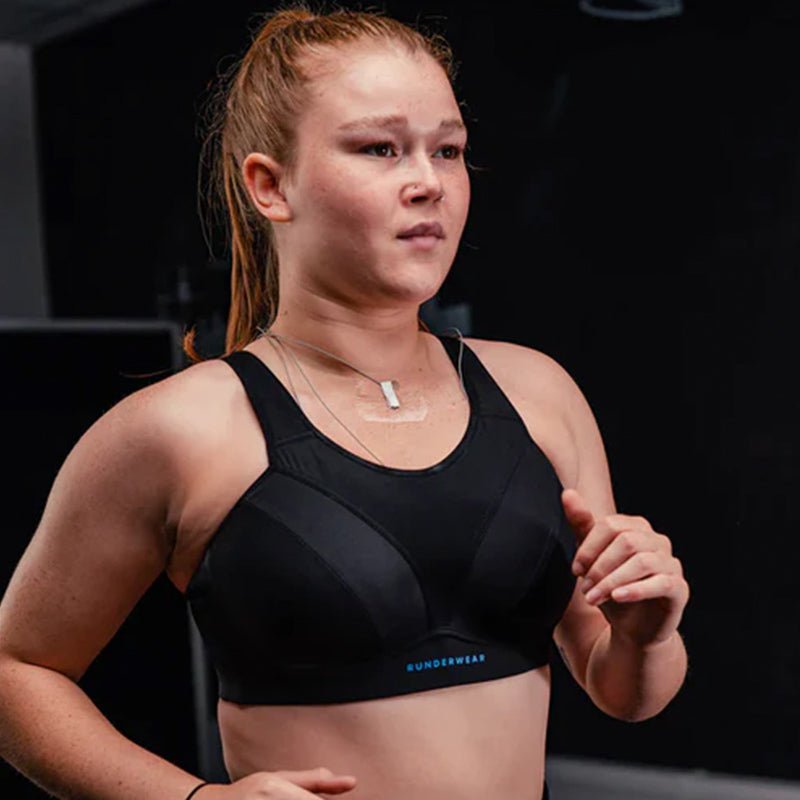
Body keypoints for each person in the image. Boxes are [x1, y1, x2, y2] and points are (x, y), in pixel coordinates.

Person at [0, 4, 691, 799]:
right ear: (270, 186)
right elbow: (20, 672)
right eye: (380, 148)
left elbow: (625, 691)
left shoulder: (539, 393)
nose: (429, 182)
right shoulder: (180, 430)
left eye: (450, 150)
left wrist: (649, 631)